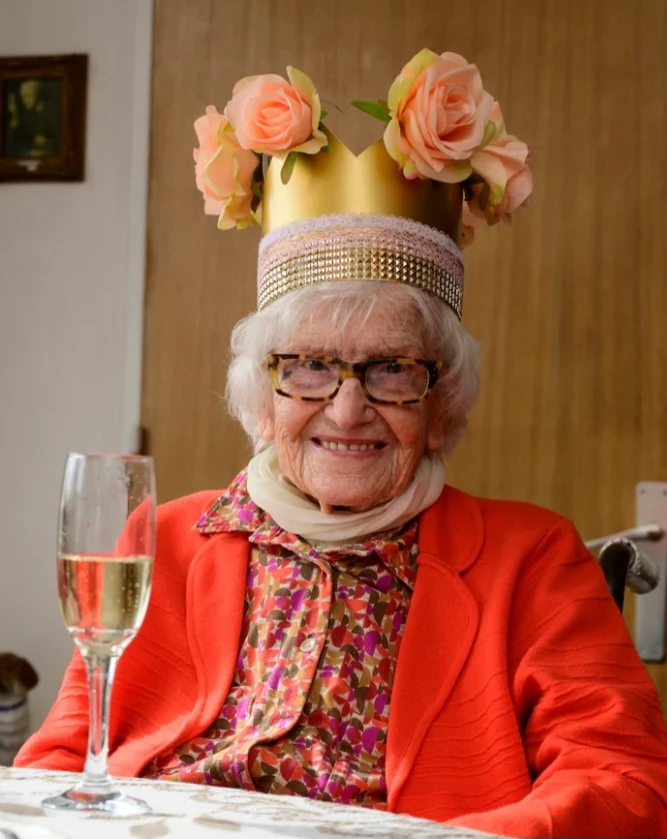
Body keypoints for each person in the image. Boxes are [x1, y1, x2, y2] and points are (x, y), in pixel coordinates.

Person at [15, 49, 667, 838]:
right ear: (262, 395)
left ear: (441, 400)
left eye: (391, 368)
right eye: (310, 366)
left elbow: (626, 783)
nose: (348, 408)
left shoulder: (531, 558)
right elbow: (59, 768)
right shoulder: (165, 539)